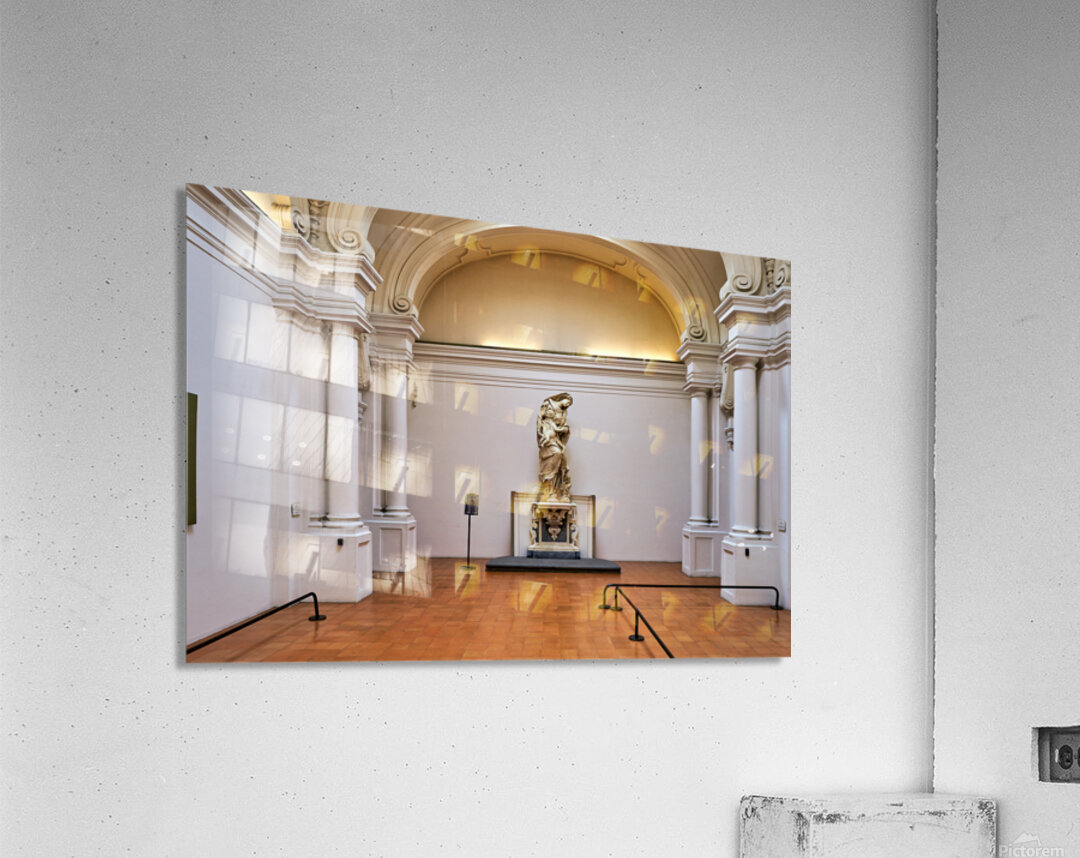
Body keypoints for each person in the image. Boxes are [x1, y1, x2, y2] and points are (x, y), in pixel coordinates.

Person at [537, 392, 573, 502]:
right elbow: (540, 420)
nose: (568, 405)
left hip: (557, 440)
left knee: (562, 463)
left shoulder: (563, 413)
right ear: (564, 398)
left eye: (569, 404)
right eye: (568, 402)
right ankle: (548, 492)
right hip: (548, 438)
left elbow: (565, 427)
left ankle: (559, 492)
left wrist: (563, 429)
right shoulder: (549, 403)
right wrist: (544, 434)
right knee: (555, 455)